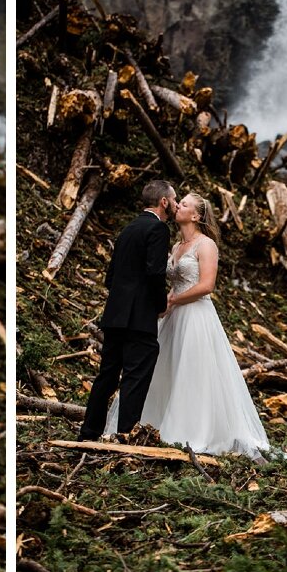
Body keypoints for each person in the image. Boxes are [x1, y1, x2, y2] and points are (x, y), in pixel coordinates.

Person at [105, 193, 276, 458]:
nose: (178, 206)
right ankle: (155, 425)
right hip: (172, 317)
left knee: (193, 373)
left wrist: (173, 299)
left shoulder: (205, 245)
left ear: (196, 216)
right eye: (178, 202)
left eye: (184, 204)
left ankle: (194, 430)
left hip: (195, 315)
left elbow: (207, 285)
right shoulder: (175, 247)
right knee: (166, 371)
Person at [78, 180, 176, 441]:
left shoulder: (128, 229)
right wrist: (159, 304)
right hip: (139, 319)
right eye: (174, 200)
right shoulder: (158, 229)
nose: (176, 205)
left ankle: (88, 433)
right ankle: (124, 436)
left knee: (106, 377)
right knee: (135, 377)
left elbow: (110, 278)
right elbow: (155, 272)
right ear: (164, 202)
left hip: (115, 316)